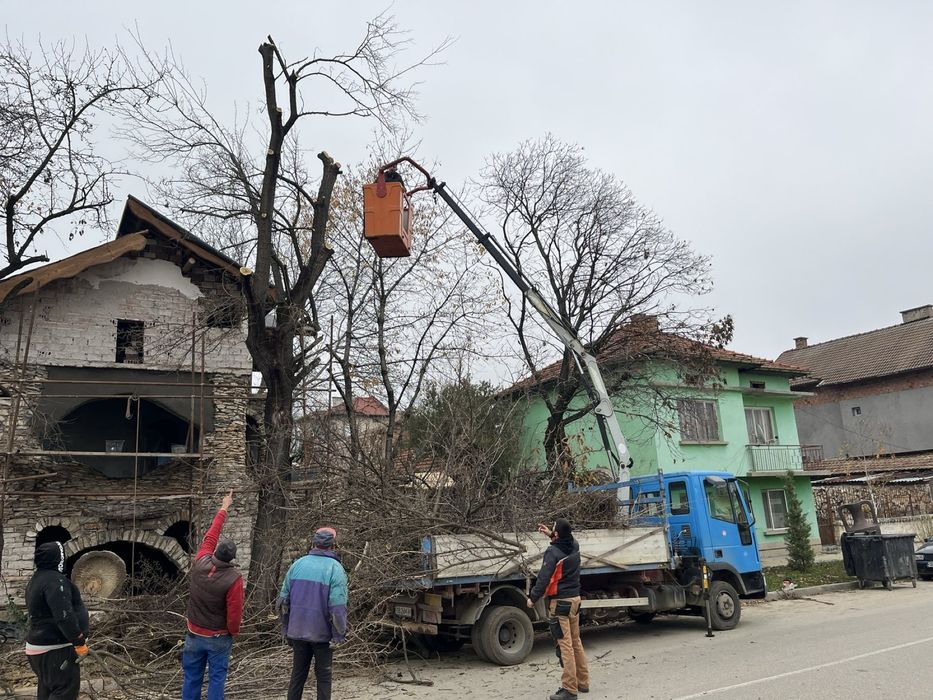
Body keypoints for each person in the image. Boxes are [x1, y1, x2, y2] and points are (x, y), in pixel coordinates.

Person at [182, 490, 243, 700]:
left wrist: (224, 507)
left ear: (215, 552)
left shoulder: (200, 562)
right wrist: (233, 632)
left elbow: (211, 534)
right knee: (217, 679)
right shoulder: (233, 578)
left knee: (191, 677)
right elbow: (234, 613)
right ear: (232, 559)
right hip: (217, 635)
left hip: (193, 632)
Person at [277, 527, 349, 700]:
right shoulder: (335, 569)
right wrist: (338, 635)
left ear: (314, 542)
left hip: (297, 632)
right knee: (324, 678)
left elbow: (282, 602)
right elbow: (337, 608)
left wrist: (286, 628)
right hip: (322, 635)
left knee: (297, 676)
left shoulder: (297, 565)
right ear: (333, 544)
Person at [526, 518, 589, 700]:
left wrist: (532, 598)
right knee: (576, 642)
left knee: (565, 645)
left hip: (560, 603)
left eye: (554, 529)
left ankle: (569, 689)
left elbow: (543, 579)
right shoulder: (574, 545)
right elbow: (565, 537)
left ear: (558, 534)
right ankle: (583, 682)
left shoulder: (553, 552)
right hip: (575, 600)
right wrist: (551, 533)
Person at [24, 541, 90, 700]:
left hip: (40, 648)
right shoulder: (55, 581)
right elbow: (64, 615)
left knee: (47, 690)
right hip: (55, 649)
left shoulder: (37, 579)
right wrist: (78, 641)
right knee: (64, 690)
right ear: (58, 558)